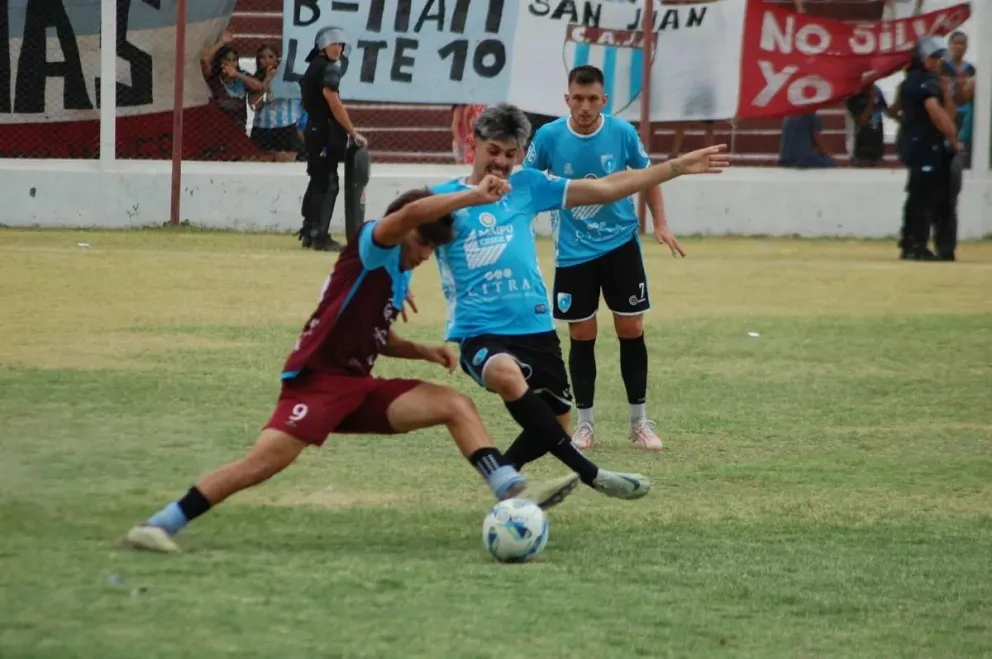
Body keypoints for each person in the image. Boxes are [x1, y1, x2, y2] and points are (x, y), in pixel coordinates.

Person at [123, 178, 581, 554]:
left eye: (430, 250)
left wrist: (423, 351)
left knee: (455, 405)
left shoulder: (399, 276)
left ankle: (512, 493)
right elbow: (404, 218)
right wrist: (473, 196)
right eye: (422, 242)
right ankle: (161, 523)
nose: (424, 255)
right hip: (316, 384)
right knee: (260, 465)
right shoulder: (374, 243)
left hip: (358, 387)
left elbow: (378, 339)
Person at [432, 103, 729, 499]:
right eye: (493, 151)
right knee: (505, 374)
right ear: (474, 144)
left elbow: (607, 188)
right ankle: (592, 474)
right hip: (481, 330)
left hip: (535, 328)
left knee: (558, 426)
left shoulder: (530, 186)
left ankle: (506, 483)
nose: (501, 162)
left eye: (510, 153)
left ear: (520, 154)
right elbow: (396, 232)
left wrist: (673, 167)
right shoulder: (444, 199)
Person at [523, 65, 682, 452]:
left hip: (620, 245)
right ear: (567, 99)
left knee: (631, 330)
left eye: (593, 99)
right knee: (582, 334)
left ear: (604, 100)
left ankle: (639, 422)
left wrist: (660, 223)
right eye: (578, 98)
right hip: (573, 253)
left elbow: (649, 176)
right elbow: (525, 184)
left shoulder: (622, 133)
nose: (585, 106)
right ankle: (585, 425)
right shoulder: (548, 136)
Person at [297, 27, 367, 252]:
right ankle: (320, 235)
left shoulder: (313, 67)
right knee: (328, 183)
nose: (338, 48)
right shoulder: (327, 70)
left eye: (341, 45)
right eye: (333, 44)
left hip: (315, 130)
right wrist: (353, 132)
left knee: (317, 180)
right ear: (322, 46)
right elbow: (335, 105)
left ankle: (309, 230)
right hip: (323, 132)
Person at [897, 35, 961, 261]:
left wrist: (946, 94)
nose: (937, 62)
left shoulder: (929, 83)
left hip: (931, 146)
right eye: (934, 58)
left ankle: (936, 245)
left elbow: (948, 113)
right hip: (923, 145)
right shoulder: (920, 82)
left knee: (939, 197)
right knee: (923, 197)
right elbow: (935, 112)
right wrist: (953, 137)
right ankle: (916, 244)